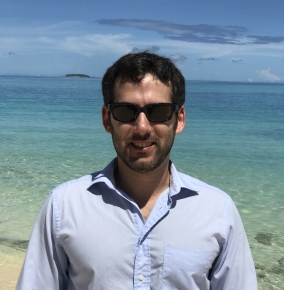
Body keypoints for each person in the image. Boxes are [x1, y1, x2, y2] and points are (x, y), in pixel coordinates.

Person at [16, 52, 257, 290]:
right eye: (125, 111)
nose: (142, 127)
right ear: (107, 120)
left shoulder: (217, 211)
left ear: (179, 119)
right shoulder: (64, 206)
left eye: (158, 111)